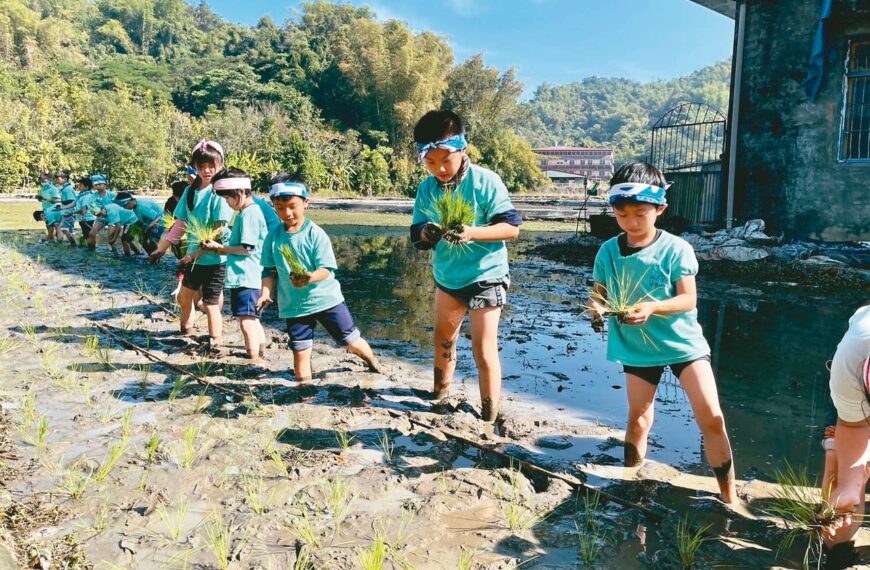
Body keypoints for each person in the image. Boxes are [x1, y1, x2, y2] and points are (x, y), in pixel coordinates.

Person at [589, 161, 737, 504]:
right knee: (638, 419)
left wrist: (652, 307)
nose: (631, 222)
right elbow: (598, 293)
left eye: (640, 213)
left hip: (684, 346)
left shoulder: (676, 249)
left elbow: (688, 298)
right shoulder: (608, 251)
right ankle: (632, 484)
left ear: (660, 209)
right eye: (622, 214)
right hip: (637, 347)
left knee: (712, 418)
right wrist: (597, 309)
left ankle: (729, 496)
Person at [409, 110, 521, 423]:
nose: (439, 169)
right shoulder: (427, 189)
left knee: (483, 351)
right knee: (443, 341)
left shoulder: (486, 182)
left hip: (487, 276)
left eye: (445, 159)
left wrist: (471, 232)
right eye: (430, 163)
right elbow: (416, 235)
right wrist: (426, 234)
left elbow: (511, 228)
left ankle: (488, 414)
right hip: (448, 277)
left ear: (463, 148)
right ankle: (439, 396)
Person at [256, 174, 381, 382]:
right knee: (300, 349)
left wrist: (309, 277)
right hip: (294, 305)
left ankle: (372, 362)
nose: (287, 213)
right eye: (279, 207)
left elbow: (327, 269)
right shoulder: (273, 236)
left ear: (306, 203)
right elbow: (269, 270)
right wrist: (265, 293)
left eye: (292, 206)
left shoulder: (316, 234)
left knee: (350, 339)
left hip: (326, 299)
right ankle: (303, 389)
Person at [149, 140, 233, 348]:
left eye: (211, 166)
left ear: (220, 164)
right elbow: (181, 224)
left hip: (214, 258)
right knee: (184, 296)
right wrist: (162, 248)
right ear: (194, 167)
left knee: (211, 304)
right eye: (201, 166)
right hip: (193, 257)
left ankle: (216, 341)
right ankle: (186, 330)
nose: (207, 170)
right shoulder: (190, 191)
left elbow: (218, 231)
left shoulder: (220, 193)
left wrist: (194, 255)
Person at [200, 168, 268, 360]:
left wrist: (219, 248)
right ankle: (260, 352)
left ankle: (253, 357)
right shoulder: (249, 212)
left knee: (245, 321)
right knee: (253, 319)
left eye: (228, 198)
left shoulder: (249, 214)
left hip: (246, 276)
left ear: (240, 192)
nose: (227, 203)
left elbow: (246, 248)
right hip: (252, 276)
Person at [822, 303, 870, 549]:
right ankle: (835, 552)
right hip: (855, 373)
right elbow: (853, 426)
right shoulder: (853, 357)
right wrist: (849, 486)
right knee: (838, 467)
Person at [86, 174, 117, 250]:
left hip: (112, 218)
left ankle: (115, 251)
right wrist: (96, 212)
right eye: (96, 185)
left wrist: (107, 210)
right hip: (101, 218)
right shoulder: (93, 196)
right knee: (91, 233)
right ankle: (92, 249)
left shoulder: (111, 195)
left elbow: (117, 205)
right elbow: (90, 206)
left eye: (100, 184)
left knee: (110, 237)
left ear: (105, 184)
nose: (98, 186)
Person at [36, 173, 60, 242]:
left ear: (49, 179)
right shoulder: (42, 188)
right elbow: (41, 199)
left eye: (44, 179)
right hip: (45, 208)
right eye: (41, 179)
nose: (42, 181)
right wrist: (39, 198)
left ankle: (52, 239)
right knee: (48, 225)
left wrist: (44, 198)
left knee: (54, 225)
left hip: (53, 210)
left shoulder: (53, 189)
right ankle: (51, 238)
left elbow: (55, 201)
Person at [74, 176, 97, 245]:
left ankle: (91, 248)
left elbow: (85, 207)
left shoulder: (86, 196)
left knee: (88, 235)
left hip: (87, 218)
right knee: (87, 234)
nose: (78, 187)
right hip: (85, 218)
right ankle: (90, 247)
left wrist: (84, 217)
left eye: (80, 185)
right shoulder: (82, 195)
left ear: (86, 187)